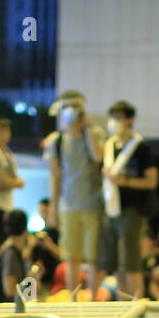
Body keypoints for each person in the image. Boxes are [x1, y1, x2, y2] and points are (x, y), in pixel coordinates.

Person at [43, 90, 105, 298]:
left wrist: (85, 126)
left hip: (93, 203)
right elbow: (55, 176)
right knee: (71, 256)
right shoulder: (56, 141)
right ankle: (74, 298)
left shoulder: (94, 133)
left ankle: (94, 298)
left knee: (94, 256)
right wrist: (52, 207)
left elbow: (98, 157)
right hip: (68, 205)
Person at [101, 100, 159, 299]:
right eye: (112, 118)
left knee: (130, 259)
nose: (114, 122)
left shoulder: (141, 147)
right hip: (111, 207)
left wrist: (124, 180)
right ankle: (122, 302)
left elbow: (152, 181)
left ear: (130, 120)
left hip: (133, 208)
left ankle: (136, 302)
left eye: (118, 118)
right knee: (115, 261)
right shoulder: (109, 146)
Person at [0, 209, 31, 303]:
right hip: (3, 311)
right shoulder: (10, 254)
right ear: (25, 231)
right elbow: (10, 291)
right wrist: (31, 283)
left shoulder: (7, 249)